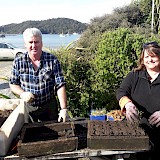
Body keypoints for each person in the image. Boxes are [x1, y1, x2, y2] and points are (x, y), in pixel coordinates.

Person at [9, 27, 68, 123]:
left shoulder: (52, 60)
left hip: (49, 106)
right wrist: (22, 93)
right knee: (30, 135)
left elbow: (60, 85)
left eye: (36, 42)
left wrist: (64, 109)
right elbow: (13, 84)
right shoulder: (18, 61)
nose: (33, 45)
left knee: (53, 133)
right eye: (30, 42)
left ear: (41, 43)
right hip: (28, 107)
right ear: (25, 44)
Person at [116, 41, 160, 160]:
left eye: (153, 56)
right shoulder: (134, 76)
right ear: (142, 59)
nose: (150, 60)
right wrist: (128, 104)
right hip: (140, 132)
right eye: (147, 56)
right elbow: (121, 92)